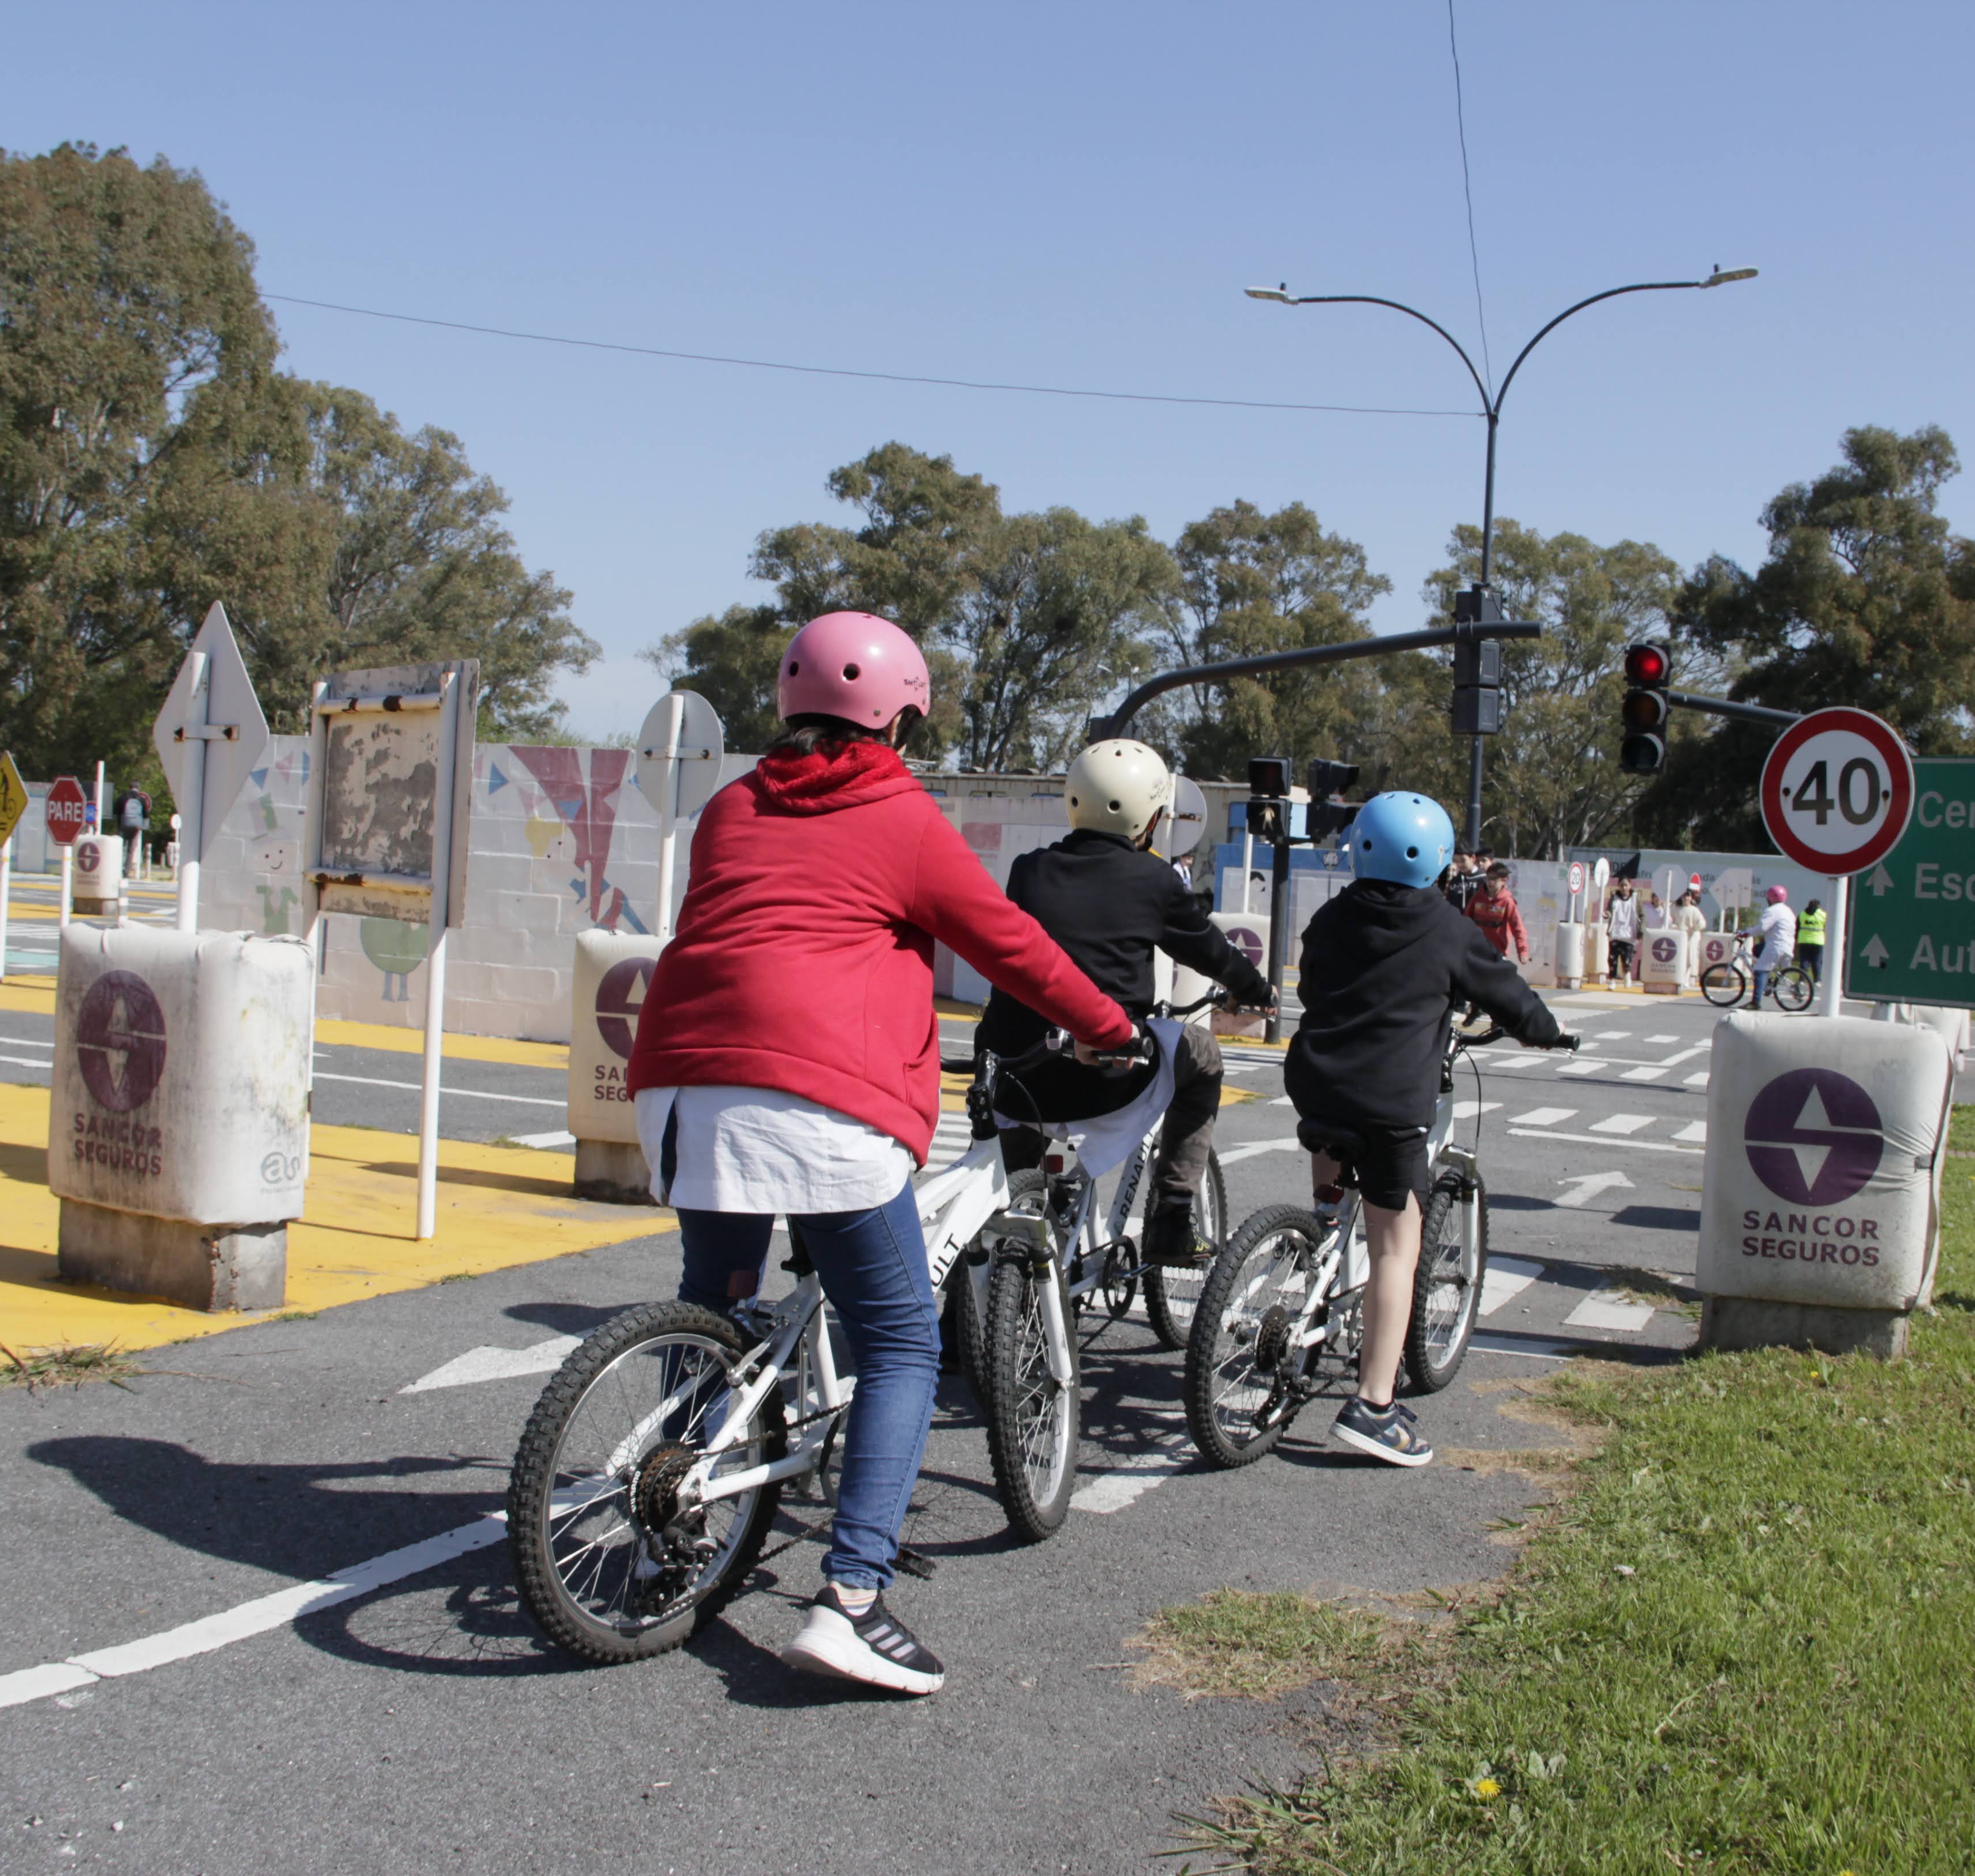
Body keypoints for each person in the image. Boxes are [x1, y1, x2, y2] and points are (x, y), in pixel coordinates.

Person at [622, 610, 1136, 1697]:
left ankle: (671, 1507)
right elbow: (1007, 945)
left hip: (683, 1078)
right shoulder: (899, 813)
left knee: (714, 1296)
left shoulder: (731, 804)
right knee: (899, 1338)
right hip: (820, 1094)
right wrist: (1107, 1025)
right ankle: (852, 1596)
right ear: (900, 715)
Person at [1286, 793, 1568, 1467]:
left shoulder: (1331, 916)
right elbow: (1509, 996)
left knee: (1331, 1135)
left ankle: (1320, 1225)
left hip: (1317, 1082)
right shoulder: (1446, 929)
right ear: (1439, 860)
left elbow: (1312, 985)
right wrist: (1545, 1032)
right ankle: (1374, 1405)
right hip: (1391, 1105)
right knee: (1394, 1249)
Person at [975, 738, 1276, 1265]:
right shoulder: (1155, 879)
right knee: (1203, 1056)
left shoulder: (1029, 870)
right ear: (1152, 817)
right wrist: (1257, 992)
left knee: (1003, 1200)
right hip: (1107, 1075)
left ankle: (968, 1315)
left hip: (1020, 1075)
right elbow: (1213, 953)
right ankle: (1172, 1218)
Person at [1736, 883, 1799, 1008]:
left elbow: (1762, 928)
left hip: (1776, 946)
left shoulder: (1772, 911)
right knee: (1758, 950)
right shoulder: (1789, 910)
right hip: (1789, 945)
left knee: (1760, 971)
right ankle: (1772, 981)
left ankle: (1755, 1003)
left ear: (1769, 899)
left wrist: (1745, 933)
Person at [1464, 862, 1532, 964]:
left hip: (1498, 953)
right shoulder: (1477, 898)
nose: (1490, 882)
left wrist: (1523, 951)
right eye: (1488, 878)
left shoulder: (1507, 902)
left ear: (1504, 881)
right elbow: (1465, 921)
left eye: (1494, 879)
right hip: (1477, 951)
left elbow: (1518, 928)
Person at [1606, 879, 1639, 983]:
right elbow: (1610, 911)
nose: (1624, 888)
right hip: (1616, 933)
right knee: (1612, 959)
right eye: (1621, 885)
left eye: (1626, 885)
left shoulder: (1635, 899)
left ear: (1630, 886)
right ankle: (1612, 980)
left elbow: (1641, 914)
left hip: (1629, 935)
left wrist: (1640, 930)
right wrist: (1607, 915)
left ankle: (1627, 976)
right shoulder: (1614, 898)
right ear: (1619, 886)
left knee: (1627, 960)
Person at [1797, 897, 1828, 981]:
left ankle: (1801, 980)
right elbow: (1827, 927)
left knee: (1804, 961)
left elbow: (1798, 927)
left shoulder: (1802, 914)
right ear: (1819, 906)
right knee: (1817, 962)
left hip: (1804, 941)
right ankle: (1817, 980)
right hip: (1818, 941)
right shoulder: (1823, 915)